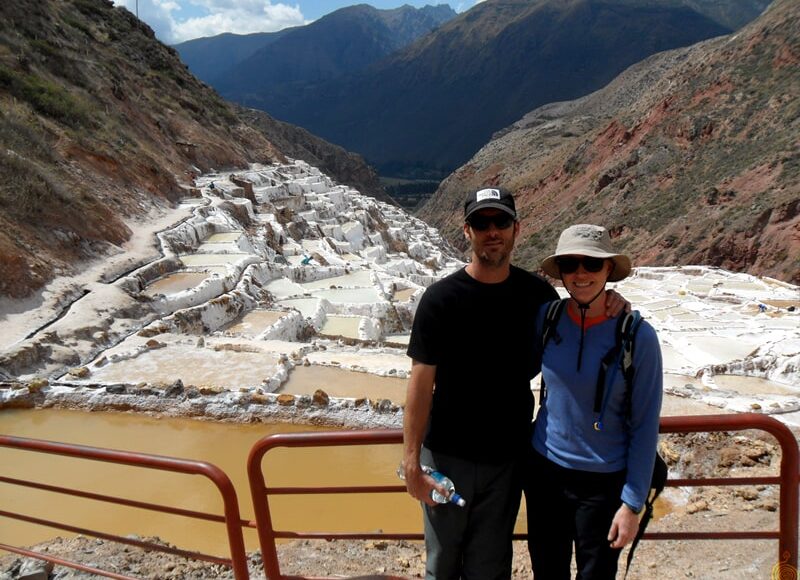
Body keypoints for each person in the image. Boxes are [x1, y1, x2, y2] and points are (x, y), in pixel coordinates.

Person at [401, 189, 627, 579]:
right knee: (442, 564)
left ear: (516, 229)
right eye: (482, 223)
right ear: (467, 231)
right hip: (447, 457)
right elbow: (420, 387)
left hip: (507, 459)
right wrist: (411, 463)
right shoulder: (440, 300)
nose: (493, 232)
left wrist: (614, 301)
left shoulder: (538, 297)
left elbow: (581, 317)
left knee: (490, 564)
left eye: (501, 222)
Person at [526, 224, 663, 580]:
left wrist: (632, 503)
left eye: (592, 264)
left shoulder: (637, 336)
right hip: (546, 473)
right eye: (571, 264)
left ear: (608, 270)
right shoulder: (548, 318)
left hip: (603, 485)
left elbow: (645, 424)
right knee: (547, 572)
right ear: (561, 273)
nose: (581, 273)